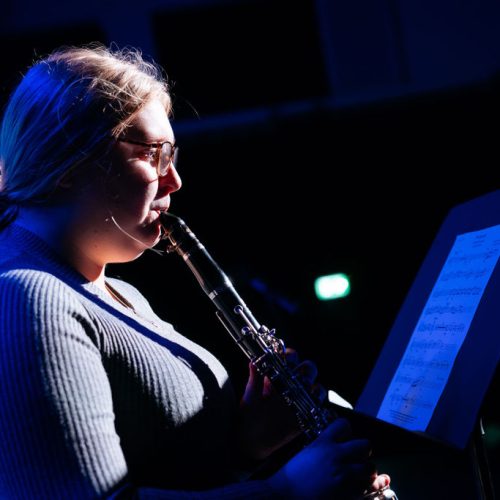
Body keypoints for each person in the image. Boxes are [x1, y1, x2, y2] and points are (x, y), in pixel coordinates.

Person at [0, 44, 391, 499]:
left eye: (173, 156)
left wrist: (244, 445)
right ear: (70, 159)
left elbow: (168, 469)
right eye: (153, 154)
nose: (174, 181)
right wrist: (288, 491)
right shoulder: (27, 297)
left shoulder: (118, 293)